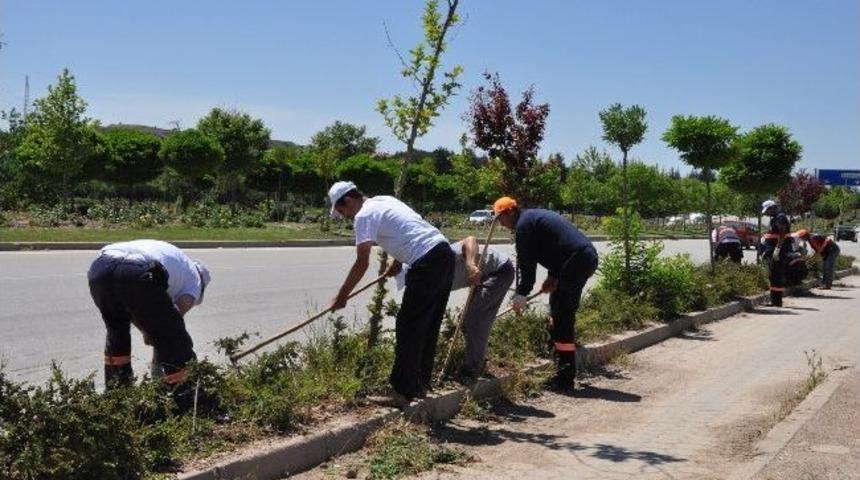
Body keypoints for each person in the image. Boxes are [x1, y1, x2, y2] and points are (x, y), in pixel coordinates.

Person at [328, 181, 454, 408]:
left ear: (347, 200)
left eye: (341, 210)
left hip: (425, 261)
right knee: (428, 324)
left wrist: (343, 295)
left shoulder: (363, 215)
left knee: (408, 326)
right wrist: (397, 262)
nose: (344, 215)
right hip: (443, 253)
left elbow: (361, 262)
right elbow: (408, 229)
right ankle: (420, 384)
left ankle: (402, 392)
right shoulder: (385, 200)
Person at [493, 197, 599, 391]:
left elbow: (527, 266)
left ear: (509, 213)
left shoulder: (524, 227)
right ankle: (561, 370)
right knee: (558, 312)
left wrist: (521, 294)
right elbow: (558, 246)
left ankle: (565, 379)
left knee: (562, 317)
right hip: (581, 259)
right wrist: (553, 276)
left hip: (577, 261)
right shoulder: (532, 218)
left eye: (500, 218)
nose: (500, 224)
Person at [87, 239, 210, 391]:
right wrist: (151, 332)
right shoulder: (195, 282)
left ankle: (118, 392)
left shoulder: (178, 263)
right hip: (137, 272)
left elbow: (137, 310)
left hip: (100, 268)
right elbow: (169, 326)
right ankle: (185, 397)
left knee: (117, 334)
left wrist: (148, 330)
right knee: (176, 340)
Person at [447, 236, 515, 385]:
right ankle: (478, 360)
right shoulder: (431, 283)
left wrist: (471, 265)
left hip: (498, 270)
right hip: (482, 277)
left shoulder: (441, 256)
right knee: (464, 320)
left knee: (473, 320)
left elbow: (470, 240)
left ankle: (472, 370)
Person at [760, 200, 792, 306]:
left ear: (773, 208)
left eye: (768, 211)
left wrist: (777, 250)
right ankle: (775, 300)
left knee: (776, 275)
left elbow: (782, 234)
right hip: (775, 251)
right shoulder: (775, 218)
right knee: (773, 275)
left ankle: (776, 301)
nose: (767, 213)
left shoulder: (780, 217)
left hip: (779, 251)